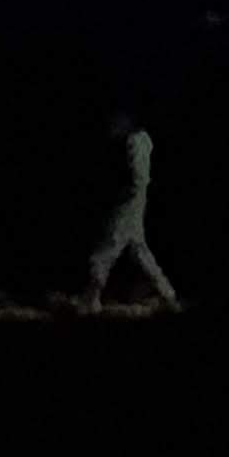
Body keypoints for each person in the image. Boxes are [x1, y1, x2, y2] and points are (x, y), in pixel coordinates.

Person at [83, 111, 179, 310]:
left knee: (106, 249)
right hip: (135, 201)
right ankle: (168, 295)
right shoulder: (141, 140)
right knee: (140, 252)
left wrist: (125, 195)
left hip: (130, 202)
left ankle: (91, 299)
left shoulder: (134, 141)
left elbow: (136, 176)